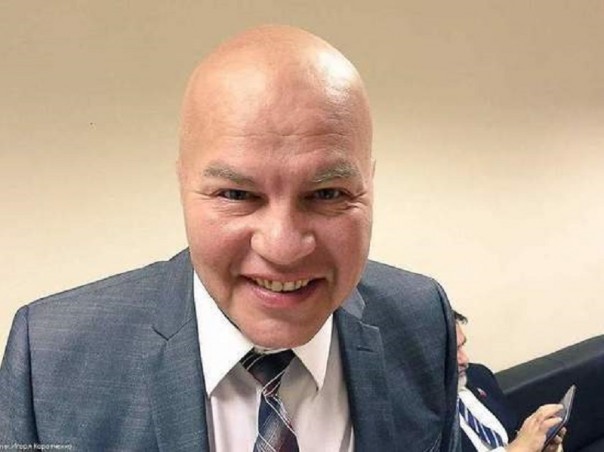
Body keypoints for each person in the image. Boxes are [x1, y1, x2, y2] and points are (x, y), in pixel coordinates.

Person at [0, 25, 459, 451]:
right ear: (183, 186)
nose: (282, 247)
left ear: (369, 185)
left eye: (327, 193)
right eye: (237, 194)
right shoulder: (52, 359)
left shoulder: (421, 320)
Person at [454, 311, 566, 452]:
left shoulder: (478, 376)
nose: (464, 359)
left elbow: (512, 434)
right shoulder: (427, 423)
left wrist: (539, 447)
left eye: (461, 347)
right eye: (452, 352)